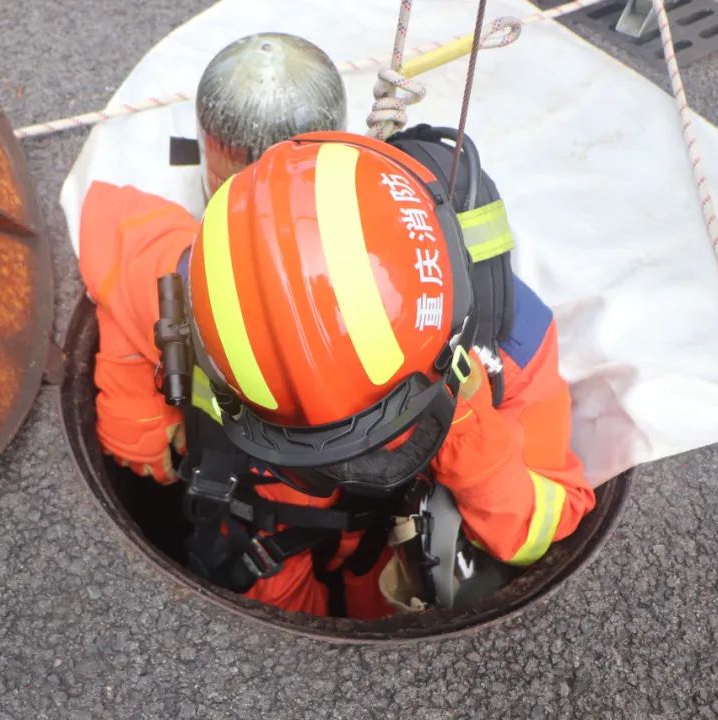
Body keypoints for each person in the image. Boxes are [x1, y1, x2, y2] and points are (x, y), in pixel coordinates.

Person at [77, 127, 595, 619]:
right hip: (263, 520)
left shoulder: (513, 347)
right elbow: (114, 232)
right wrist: (136, 414)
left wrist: (468, 426)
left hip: (387, 539)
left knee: (384, 620)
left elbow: (541, 525)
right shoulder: (216, 287)